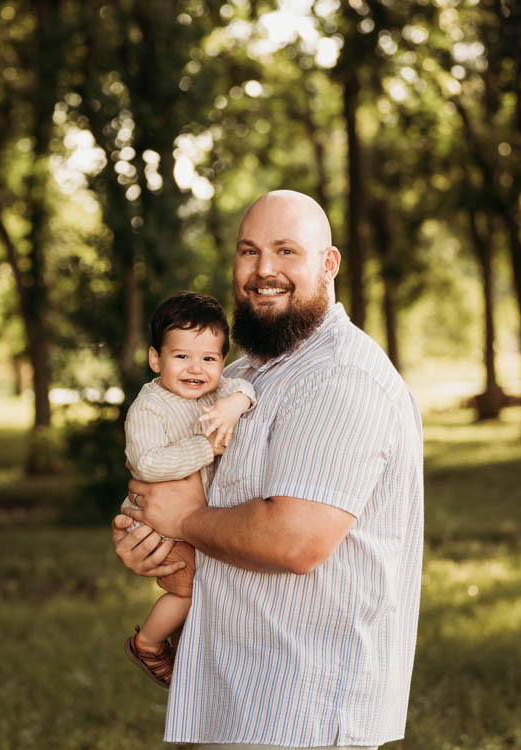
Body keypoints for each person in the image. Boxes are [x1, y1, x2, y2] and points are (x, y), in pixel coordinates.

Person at [113, 190, 424, 749]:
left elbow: (292, 541)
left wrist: (183, 521)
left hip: (304, 710)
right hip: (241, 694)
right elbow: (202, 503)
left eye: (286, 251)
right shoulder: (244, 373)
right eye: (248, 252)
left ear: (328, 264)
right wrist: (154, 540)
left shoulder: (340, 379)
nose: (263, 271)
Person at [121, 291, 256, 689]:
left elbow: (248, 390)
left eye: (209, 359)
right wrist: (206, 447)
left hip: (189, 516)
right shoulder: (150, 407)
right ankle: (147, 644)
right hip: (156, 522)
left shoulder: (216, 391)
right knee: (190, 591)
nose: (196, 368)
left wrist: (235, 405)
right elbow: (147, 464)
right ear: (155, 359)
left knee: (210, 584)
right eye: (182, 357)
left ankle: (197, 657)